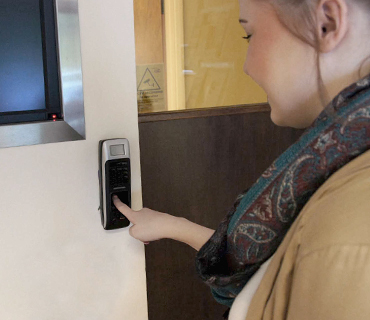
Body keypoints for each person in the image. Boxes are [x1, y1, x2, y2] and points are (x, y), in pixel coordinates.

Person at [114, 0, 370, 318]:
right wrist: (171, 225)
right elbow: (267, 277)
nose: (247, 66)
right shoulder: (339, 165)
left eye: (249, 35)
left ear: (326, 23)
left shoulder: (350, 224)